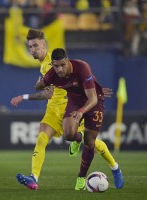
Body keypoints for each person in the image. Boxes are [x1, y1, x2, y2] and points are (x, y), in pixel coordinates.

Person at [10, 29, 123, 190]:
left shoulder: (52, 63)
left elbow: (49, 93)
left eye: (36, 45)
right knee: (41, 139)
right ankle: (33, 178)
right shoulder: (43, 65)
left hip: (69, 107)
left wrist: (25, 97)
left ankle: (115, 168)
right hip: (53, 110)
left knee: (91, 142)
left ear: (44, 45)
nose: (32, 49)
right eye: (30, 46)